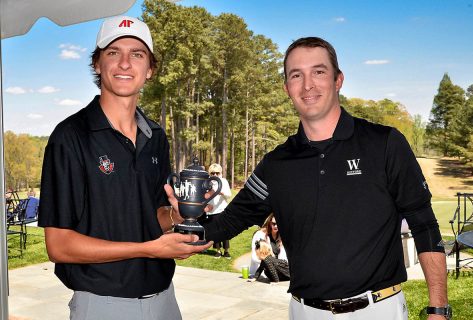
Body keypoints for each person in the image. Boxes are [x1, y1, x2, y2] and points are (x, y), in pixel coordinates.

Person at [165, 36, 449, 320]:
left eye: (319, 71)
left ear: (338, 80)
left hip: (378, 310)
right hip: (305, 312)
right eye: (296, 75)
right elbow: (230, 221)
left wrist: (438, 309)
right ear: (287, 87)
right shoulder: (276, 164)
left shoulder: (385, 143)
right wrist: (186, 222)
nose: (308, 84)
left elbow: (423, 222)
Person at [38, 16, 211, 320]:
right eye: (113, 52)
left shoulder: (155, 136)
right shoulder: (70, 137)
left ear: (150, 70)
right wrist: (148, 249)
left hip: (164, 301)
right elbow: (59, 245)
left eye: (137, 54)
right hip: (102, 304)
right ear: (97, 64)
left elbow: (152, 217)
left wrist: (176, 215)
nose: (125, 64)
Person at [205, 163, 232, 258]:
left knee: (224, 231)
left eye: (217, 173)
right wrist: (206, 205)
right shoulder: (207, 183)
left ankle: (226, 251)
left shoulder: (224, 182)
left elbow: (229, 195)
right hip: (212, 211)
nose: (215, 175)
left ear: (220, 173)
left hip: (222, 210)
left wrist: (221, 193)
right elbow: (204, 196)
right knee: (215, 231)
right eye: (213, 173)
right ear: (210, 174)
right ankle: (218, 251)